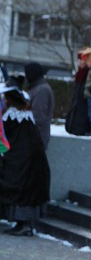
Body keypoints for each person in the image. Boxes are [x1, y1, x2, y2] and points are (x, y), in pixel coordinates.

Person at [0, 83, 51, 236]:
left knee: (17, 190)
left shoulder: (11, 117)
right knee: (28, 194)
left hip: (19, 163)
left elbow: (5, 140)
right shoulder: (28, 117)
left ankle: (23, 225)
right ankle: (25, 224)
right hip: (35, 162)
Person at [24, 62, 54, 149]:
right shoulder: (37, 88)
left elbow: (38, 117)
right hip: (35, 138)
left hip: (36, 139)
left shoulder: (41, 90)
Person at [64, 50, 91, 136]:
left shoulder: (88, 75)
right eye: (79, 60)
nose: (80, 62)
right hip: (76, 117)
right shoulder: (79, 75)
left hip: (82, 118)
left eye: (82, 60)